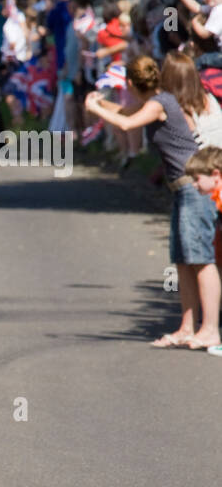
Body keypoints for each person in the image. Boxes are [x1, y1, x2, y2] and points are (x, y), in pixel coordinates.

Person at [85, 55, 218, 349]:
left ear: (131, 83)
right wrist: (101, 103)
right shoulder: (159, 101)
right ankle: (187, 326)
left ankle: (210, 329)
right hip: (182, 189)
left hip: (194, 187)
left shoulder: (160, 103)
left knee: (202, 260)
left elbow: (126, 122)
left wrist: (94, 108)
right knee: (184, 260)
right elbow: (124, 110)